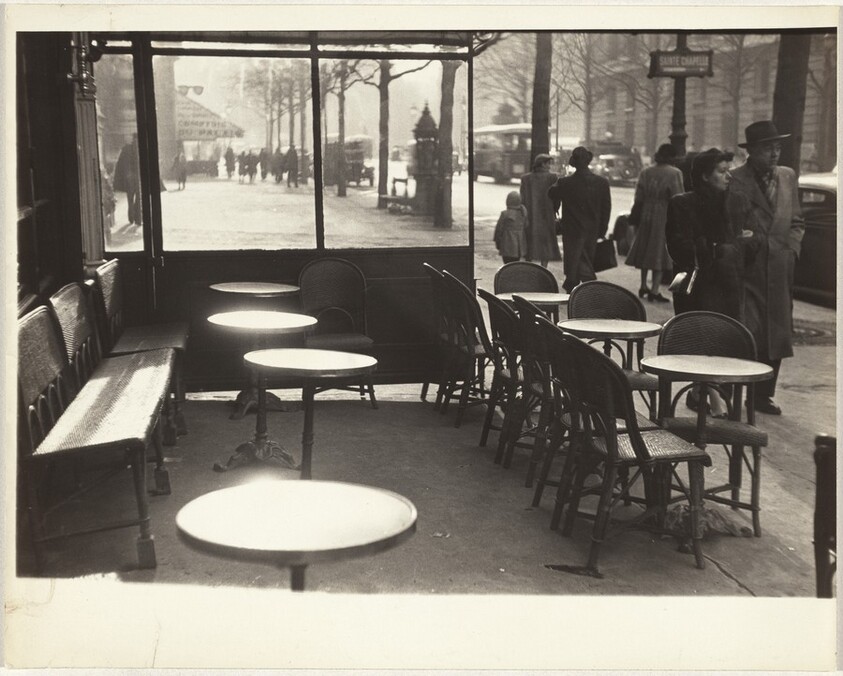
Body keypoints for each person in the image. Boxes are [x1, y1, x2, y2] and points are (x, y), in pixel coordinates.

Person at [726, 120, 805, 416]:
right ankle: (738, 389)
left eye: (777, 147)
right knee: (749, 328)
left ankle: (762, 396)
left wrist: (792, 251)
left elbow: (797, 220)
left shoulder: (787, 176)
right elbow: (727, 224)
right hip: (749, 267)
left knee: (778, 331)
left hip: (780, 266)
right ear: (752, 151)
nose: (774, 154)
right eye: (767, 148)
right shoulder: (734, 179)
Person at [625, 143, 685, 302]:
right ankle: (655, 289)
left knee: (645, 248)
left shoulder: (646, 171)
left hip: (647, 213)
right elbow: (678, 197)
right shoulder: (675, 173)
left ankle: (643, 285)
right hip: (664, 214)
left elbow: (638, 197)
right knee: (659, 251)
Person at [548, 146, 611, 293]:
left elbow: (551, 193)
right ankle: (585, 293)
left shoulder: (565, 183)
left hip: (572, 230)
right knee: (586, 261)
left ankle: (574, 291)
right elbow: (606, 208)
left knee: (573, 263)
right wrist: (602, 229)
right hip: (592, 230)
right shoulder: (602, 183)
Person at [519, 153, 559, 268]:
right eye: (548, 163)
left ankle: (529, 266)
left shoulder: (526, 178)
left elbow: (522, 198)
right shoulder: (553, 178)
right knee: (545, 242)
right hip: (547, 215)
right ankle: (544, 268)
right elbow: (556, 198)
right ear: (542, 164)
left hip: (530, 215)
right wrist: (555, 210)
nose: (549, 166)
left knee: (530, 239)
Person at [113, 134, 141, 225]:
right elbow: (124, 164)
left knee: (132, 198)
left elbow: (122, 164)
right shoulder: (134, 149)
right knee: (136, 198)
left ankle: (133, 217)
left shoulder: (126, 148)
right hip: (134, 178)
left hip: (131, 178)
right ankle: (135, 217)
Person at [493, 191, 528, 264]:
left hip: (506, 246)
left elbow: (499, 229)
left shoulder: (504, 214)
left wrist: (497, 242)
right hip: (518, 248)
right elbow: (526, 226)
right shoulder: (523, 214)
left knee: (507, 264)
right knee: (515, 264)